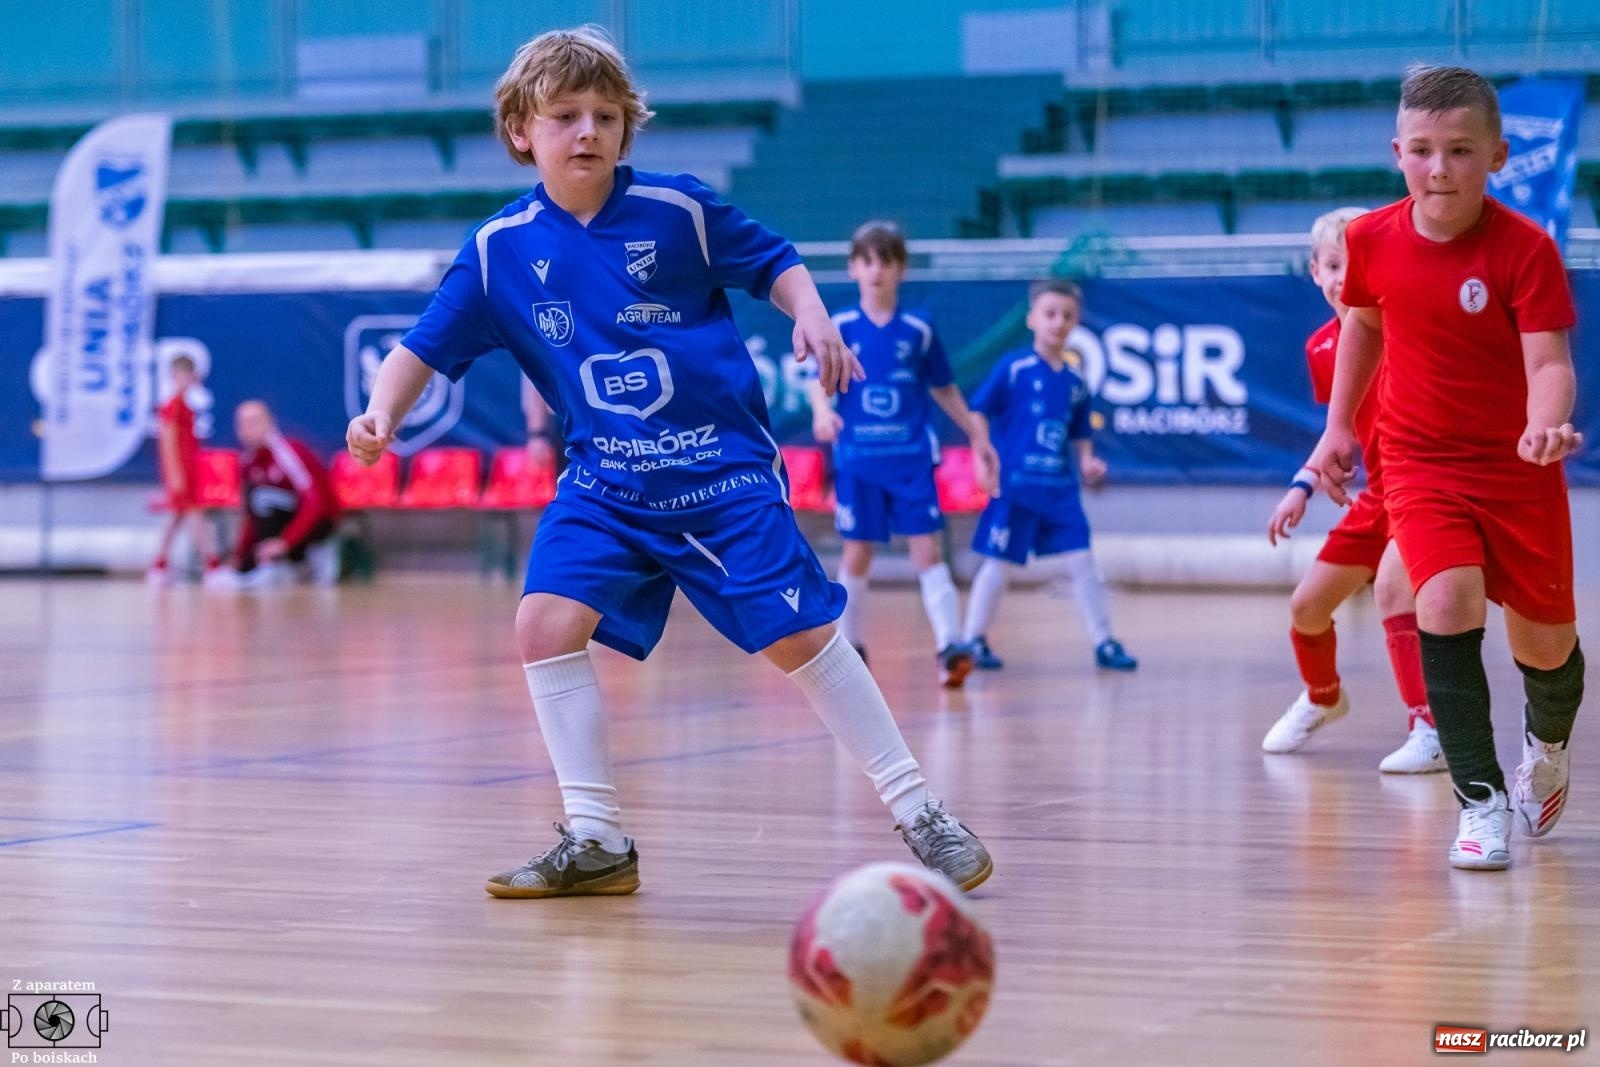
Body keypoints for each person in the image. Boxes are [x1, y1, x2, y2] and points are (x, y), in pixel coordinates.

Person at [345, 26, 991, 898]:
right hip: (606, 483)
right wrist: (382, 413)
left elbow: (775, 260)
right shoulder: (500, 251)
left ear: (626, 128)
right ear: (521, 130)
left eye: (606, 115)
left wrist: (811, 312)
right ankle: (597, 840)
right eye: (565, 115)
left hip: (719, 473)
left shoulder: (677, 210)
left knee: (798, 636)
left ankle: (920, 809)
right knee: (543, 625)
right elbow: (420, 347)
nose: (588, 130)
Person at [1308, 65, 1584, 871]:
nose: (1439, 168)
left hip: (1518, 466)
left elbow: (1550, 362)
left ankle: (1547, 742)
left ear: (1497, 155)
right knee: (1444, 598)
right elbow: (1362, 326)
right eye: (1423, 150)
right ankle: (1479, 799)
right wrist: (1336, 428)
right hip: (1420, 461)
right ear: (1397, 152)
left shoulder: (1526, 249)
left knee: (1547, 648)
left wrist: (1543, 424)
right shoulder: (1369, 240)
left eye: (1460, 150)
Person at [1262, 207, 1444, 773]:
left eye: (1356, 263)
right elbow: (1338, 431)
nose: (1344, 278)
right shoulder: (1322, 347)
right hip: (1378, 496)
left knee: (1393, 588)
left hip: (1426, 488)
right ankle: (1323, 697)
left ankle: (1429, 728)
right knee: (1307, 606)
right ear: (1315, 271)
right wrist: (1303, 484)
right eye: (1334, 265)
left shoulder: (1406, 330)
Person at [804, 219, 997, 688]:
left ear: (901, 270)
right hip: (859, 461)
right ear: (853, 268)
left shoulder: (919, 330)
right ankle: (851, 649)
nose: (877, 270)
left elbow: (944, 388)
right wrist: (822, 412)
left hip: (910, 461)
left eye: (886, 262)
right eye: (867, 261)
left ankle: (950, 646)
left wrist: (977, 434)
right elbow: (817, 380)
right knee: (857, 554)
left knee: (927, 551)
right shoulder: (840, 327)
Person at [958, 279, 1137, 673]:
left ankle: (1104, 642)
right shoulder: (1014, 368)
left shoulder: (1076, 382)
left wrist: (1087, 462)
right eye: (1050, 314)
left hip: (1059, 490)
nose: (1058, 322)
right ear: (1032, 319)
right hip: (1015, 487)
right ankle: (974, 639)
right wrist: (981, 456)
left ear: (1076, 322)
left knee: (1083, 561)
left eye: (1067, 316)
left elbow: (1080, 433)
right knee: (998, 562)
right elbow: (978, 411)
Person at [207, 400, 341, 589]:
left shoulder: (287, 451)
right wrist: (239, 559)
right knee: (257, 499)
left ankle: (293, 560)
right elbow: (252, 517)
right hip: (284, 524)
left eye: (253, 421)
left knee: (263, 497)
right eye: (241, 423)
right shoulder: (249, 461)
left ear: (269, 422)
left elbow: (315, 504)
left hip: (319, 525)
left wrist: (285, 542)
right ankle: (270, 564)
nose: (246, 429)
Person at [147, 353, 221, 584]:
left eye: (188, 375)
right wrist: (175, 473)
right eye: (180, 375)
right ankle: (212, 565)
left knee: (177, 518)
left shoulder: (184, 405)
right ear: (173, 376)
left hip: (189, 469)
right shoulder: (173, 406)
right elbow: (168, 441)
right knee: (194, 517)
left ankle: (160, 564)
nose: (185, 380)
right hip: (181, 472)